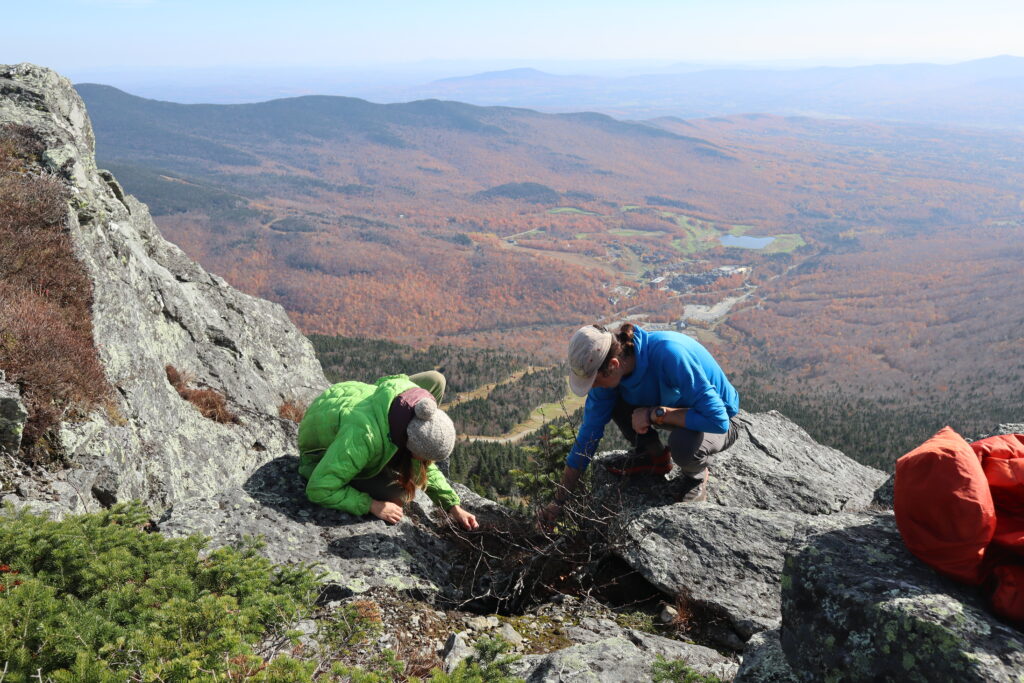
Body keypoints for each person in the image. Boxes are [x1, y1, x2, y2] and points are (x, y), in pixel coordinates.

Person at [539, 323, 740, 524]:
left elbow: (718, 420)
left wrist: (654, 414)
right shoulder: (611, 371)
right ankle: (655, 457)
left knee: (683, 445)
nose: (593, 387)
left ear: (614, 365)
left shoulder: (669, 354)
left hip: (721, 418)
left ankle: (696, 475)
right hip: (676, 411)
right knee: (614, 401)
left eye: (594, 381)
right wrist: (559, 501)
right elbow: (588, 436)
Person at [298, 371, 479, 531]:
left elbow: (421, 467)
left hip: (344, 399)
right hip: (318, 447)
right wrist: (371, 505)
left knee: (404, 479)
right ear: (409, 442)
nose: (427, 463)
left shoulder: (411, 402)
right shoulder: (363, 438)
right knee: (397, 497)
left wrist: (453, 506)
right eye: (424, 457)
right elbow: (319, 489)